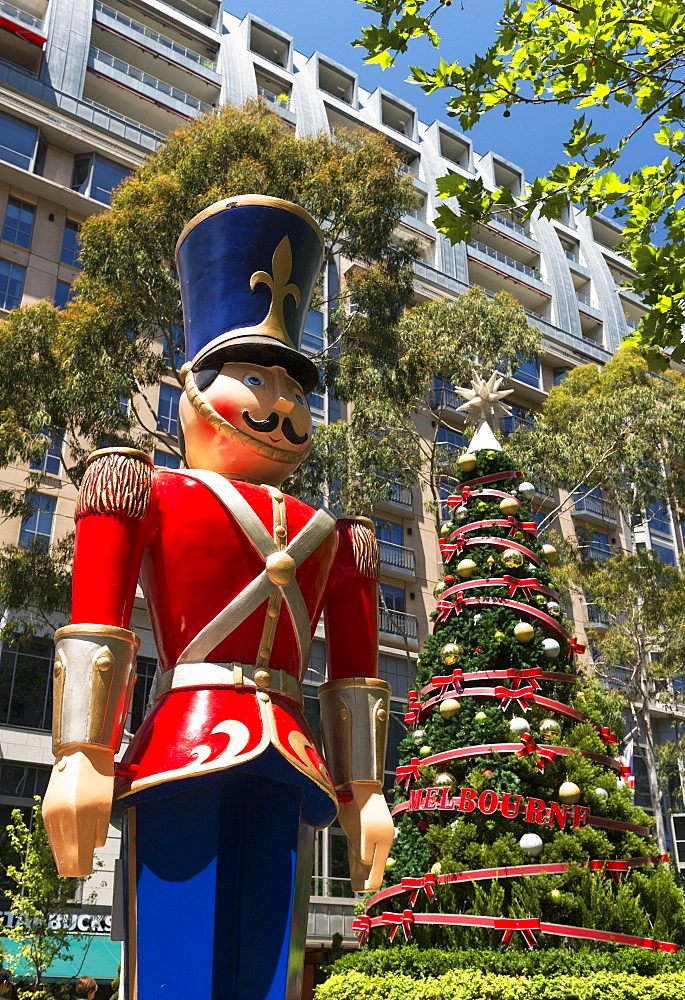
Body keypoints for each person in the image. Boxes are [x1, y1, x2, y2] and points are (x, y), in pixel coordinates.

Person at [42, 195, 394, 1000]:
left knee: (273, 963)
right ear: (193, 387)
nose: (277, 404)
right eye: (252, 377)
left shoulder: (343, 536)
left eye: (291, 388)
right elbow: (95, 621)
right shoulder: (139, 483)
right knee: (175, 960)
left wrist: (364, 791)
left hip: (291, 759)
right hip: (183, 745)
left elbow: (354, 669)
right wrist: (79, 757)